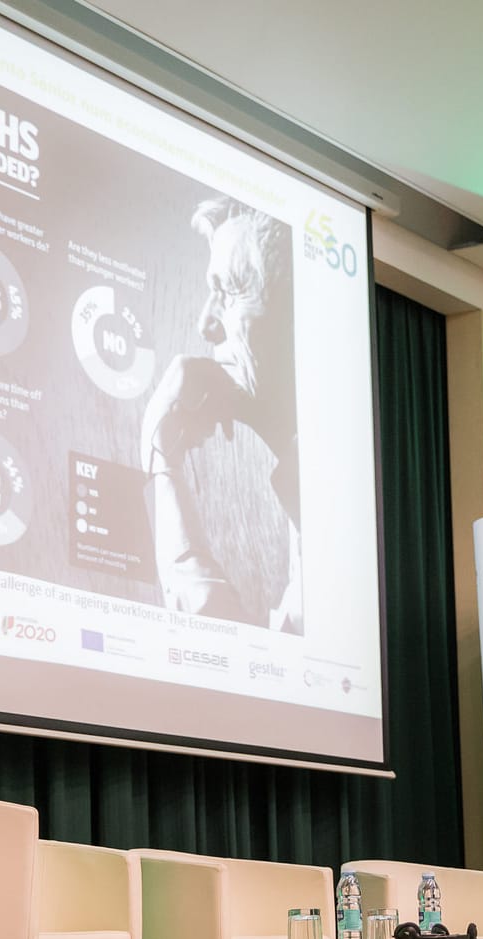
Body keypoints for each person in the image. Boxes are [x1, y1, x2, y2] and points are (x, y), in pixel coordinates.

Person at [140, 196, 301, 632]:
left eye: (228, 291)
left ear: (296, 311)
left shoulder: (343, 491)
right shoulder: (310, 481)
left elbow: (221, 642)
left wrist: (162, 460)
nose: (206, 325)